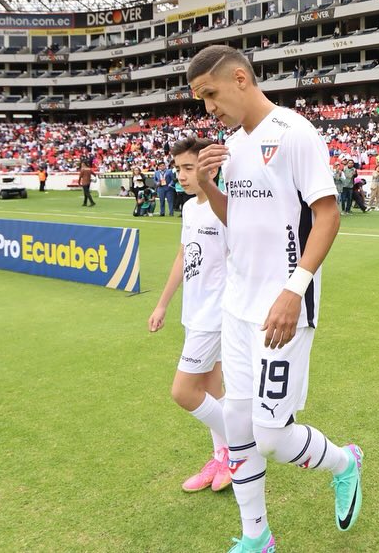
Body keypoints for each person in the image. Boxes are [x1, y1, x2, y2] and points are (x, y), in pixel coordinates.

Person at [188, 45, 362, 553]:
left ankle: (346, 461)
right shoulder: (232, 146)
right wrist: (207, 185)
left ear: (240, 79)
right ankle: (256, 536)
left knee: (268, 434)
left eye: (210, 95)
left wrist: (295, 289)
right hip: (237, 309)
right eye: (200, 100)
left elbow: (328, 216)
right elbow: (236, 223)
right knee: (238, 424)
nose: (208, 109)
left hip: (283, 307)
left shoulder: (294, 133)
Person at [147, 136, 231, 494]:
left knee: (183, 392)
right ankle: (224, 456)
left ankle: (242, 446)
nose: (180, 175)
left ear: (208, 167)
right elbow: (184, 257)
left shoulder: (226, 208)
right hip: (194, 311)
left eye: (188, 167)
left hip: (216, 315)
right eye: (178, 168)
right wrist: (163, 303)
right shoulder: (189, 209)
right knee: (212, 390)